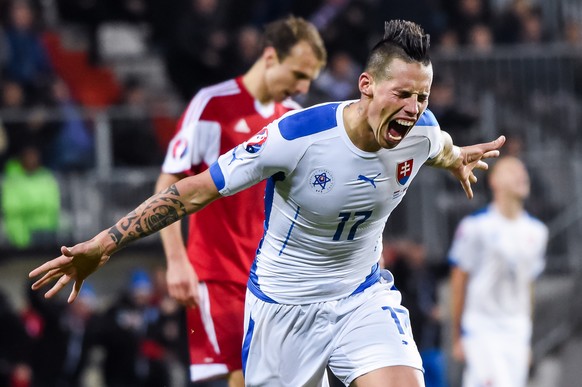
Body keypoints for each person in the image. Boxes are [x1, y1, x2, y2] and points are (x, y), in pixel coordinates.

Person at [29, 20, 505, 387]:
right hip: (284, 308)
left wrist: (459, 159)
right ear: (366, 86)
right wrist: (106, 243)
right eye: (401, 93)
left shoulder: (420, 132)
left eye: (420, 97)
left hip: (362, 296)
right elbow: (193, 189)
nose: (413, 107)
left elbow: (442, 147)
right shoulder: (296, 137)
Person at [155, 15, 326, 387]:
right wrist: (176, 260)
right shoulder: (212, 105)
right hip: (218, 276)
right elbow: (168, 184)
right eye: (297, 74)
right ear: (269, 57)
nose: (302, 87)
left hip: (274, 280)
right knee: (241, 377)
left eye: (309, 79)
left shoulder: (293, 120)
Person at [448, 156, 548, 387]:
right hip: (483, 326)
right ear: (494, 181)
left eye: (523, 170)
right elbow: (459, 280)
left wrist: (526, 337)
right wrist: (457, 336)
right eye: (512, 169)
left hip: (516, 328)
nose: (521, 174)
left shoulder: (537, 232)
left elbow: (528, 286)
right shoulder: (475, 227)